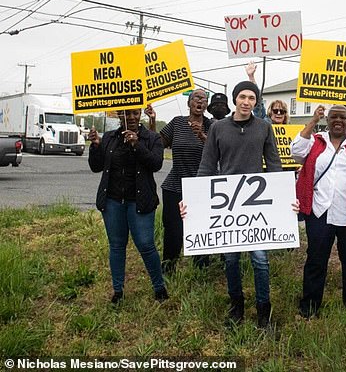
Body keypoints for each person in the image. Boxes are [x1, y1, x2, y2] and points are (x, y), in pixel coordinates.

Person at [196, 80, 282, 328]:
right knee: (231, 260)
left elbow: (274, 165)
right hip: (227, 204)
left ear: (256, 102)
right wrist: (197, 200)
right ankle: (236, 306)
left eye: (251, 98)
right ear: (235, 99)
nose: (246, 102)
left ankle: (264, 311)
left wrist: (285, 198)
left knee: (260, 260)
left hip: (255, 205)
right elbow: (207, 165)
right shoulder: (218, 128)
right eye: (242, 97)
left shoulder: (264, 128)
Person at [292, 105, 346, 327]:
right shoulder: (316, 140)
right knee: (315, 261)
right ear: (327, 120)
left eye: (342, 117)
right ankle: (310, 306)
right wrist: (313, 120)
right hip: (320, 212)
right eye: (333, 117)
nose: (338, 121)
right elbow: (296, 153)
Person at [87, 108, 168, 304]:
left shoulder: (151, 138)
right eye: (127, 114)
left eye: (135, 113)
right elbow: (95, 167)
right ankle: (118, 291)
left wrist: (136, 144)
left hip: (140, 201)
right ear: (119, 115)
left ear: (140, 114)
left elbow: (156, 164)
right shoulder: (109, 137)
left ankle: (159, 288)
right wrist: (96, 146)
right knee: (116, 246)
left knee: (146, 245)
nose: (131, 118)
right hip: (113, 201)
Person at [144, 89, 212, 273]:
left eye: (204, 99)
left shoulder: (212, 125)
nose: (200, 101)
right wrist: (152, 120)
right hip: (175, 185)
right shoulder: (177, 123)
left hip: (201, 186)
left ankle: (201, 269)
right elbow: (157, 143)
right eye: (196, 98)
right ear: (189, 103)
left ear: (206, 105)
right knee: (173, 229)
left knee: (201, 228)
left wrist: (203, 137)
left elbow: (219, 151)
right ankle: (169, 268)